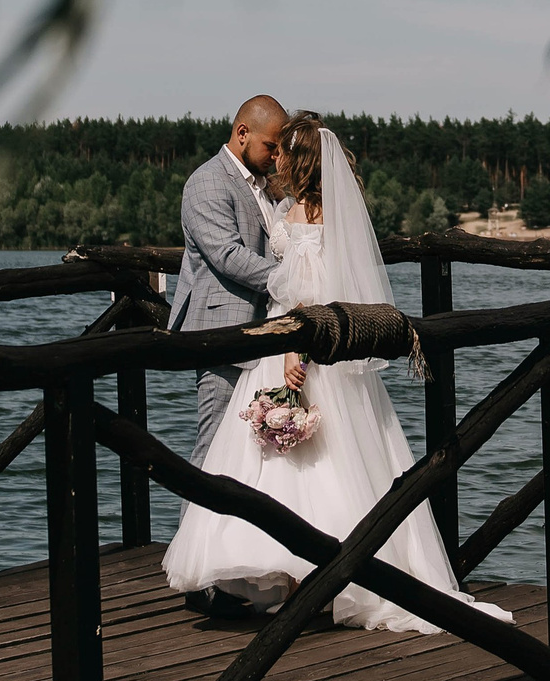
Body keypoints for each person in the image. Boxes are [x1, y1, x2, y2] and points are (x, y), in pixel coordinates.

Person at [163, 112, 514, 634]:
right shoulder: (233, 190)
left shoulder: (298, 214)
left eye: (283, 150)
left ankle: (301, 578)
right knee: (325, 460)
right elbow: (249, 261)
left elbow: (305, 290)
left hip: (293, 342)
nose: (275, 156)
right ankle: (309, 577)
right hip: (278, 338)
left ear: (299, 160)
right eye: (270, 146)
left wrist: (294, 346)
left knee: (291, 465)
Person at [170, 94, 289, 469]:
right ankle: (194, 527)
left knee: (258, 449)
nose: (276, 155)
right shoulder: (206, 182)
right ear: (242, 133)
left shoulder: (267, 187)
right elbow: (228, 255)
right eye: (271, 146)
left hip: (267, 331)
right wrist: (293, 281)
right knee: (214, 447)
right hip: (222, 330)